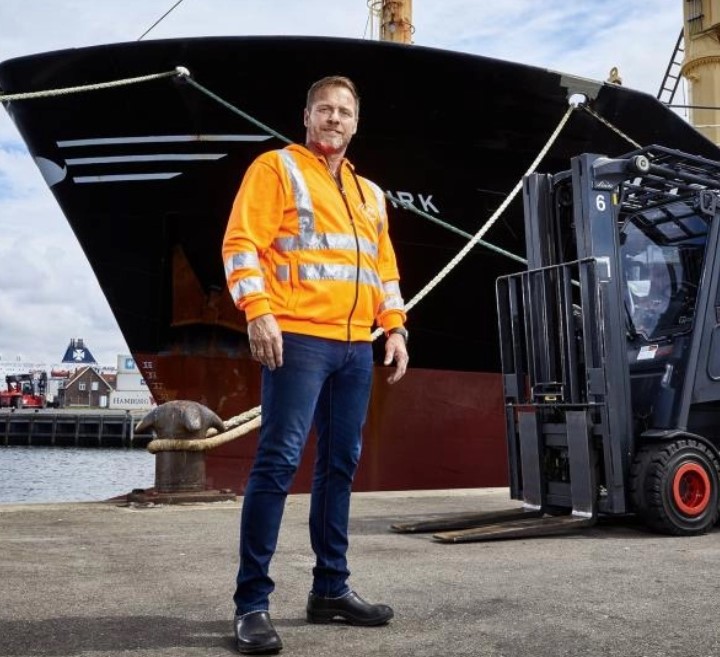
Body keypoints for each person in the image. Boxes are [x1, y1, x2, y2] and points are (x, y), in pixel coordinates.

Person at [222, 75, 409, 655]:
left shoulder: (370, 194)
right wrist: (257, 311)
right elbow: (240, 243)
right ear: (306, 116)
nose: (334, 119)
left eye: (344, 112)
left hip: (356, 346)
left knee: (339, 466)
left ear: (355, 123)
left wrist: (396, 328)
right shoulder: (276, 169)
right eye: (324, 109)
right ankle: (251, 604)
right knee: (277, 462)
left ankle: (331, 589)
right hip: (297, 338)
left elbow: (384, 269)